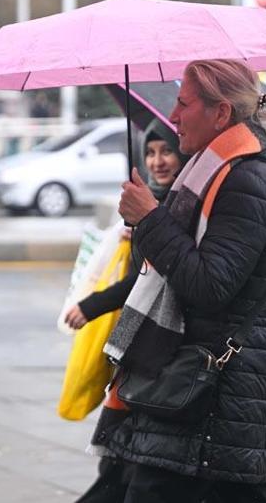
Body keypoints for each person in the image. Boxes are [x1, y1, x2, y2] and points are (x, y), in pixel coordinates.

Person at [91, 59, 266, 503]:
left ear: (220, 113)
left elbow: (210, 285)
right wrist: (149, 223)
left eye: (183, 104)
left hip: (215, 412)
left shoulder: (244, 182)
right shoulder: (212, 174)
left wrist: (151, 219)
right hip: (204, 411)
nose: (172, 117)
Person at [67, 120, 188, 503]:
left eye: (166, 151)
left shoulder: (178, 208)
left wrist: (92, 305)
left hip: (154, 351)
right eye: (150, 153)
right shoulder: (153, 203)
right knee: (117, 456)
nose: (158, 161)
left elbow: (147, 281)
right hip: (137, 349)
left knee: (123, 459)